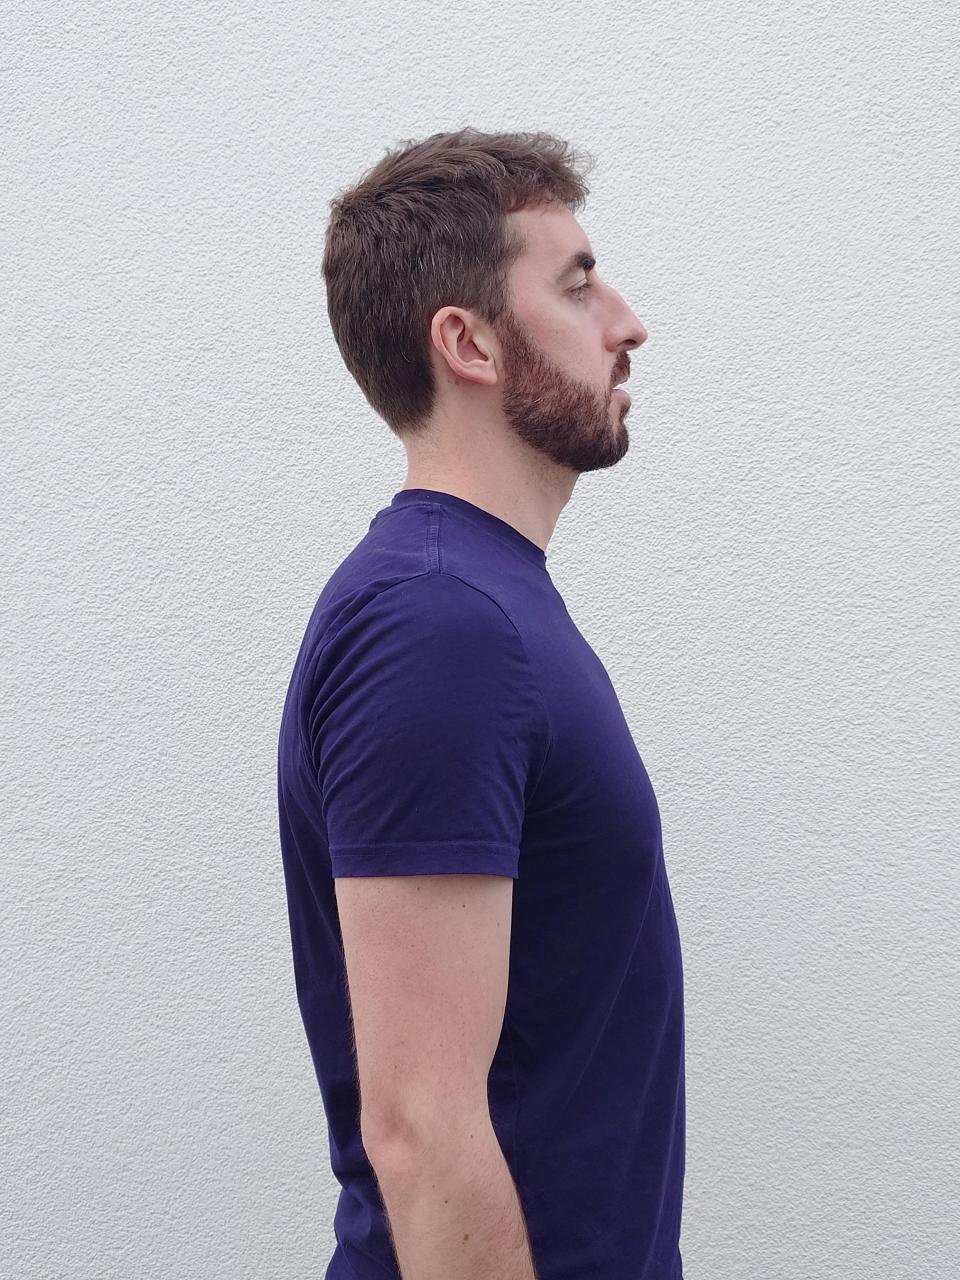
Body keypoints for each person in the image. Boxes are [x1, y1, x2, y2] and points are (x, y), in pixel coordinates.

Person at [276, 127, 685, 1280]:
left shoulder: (485, 603)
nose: (627, 323)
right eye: (578, 284)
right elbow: (420, 1128)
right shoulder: (440, 626)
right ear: (468, 342)